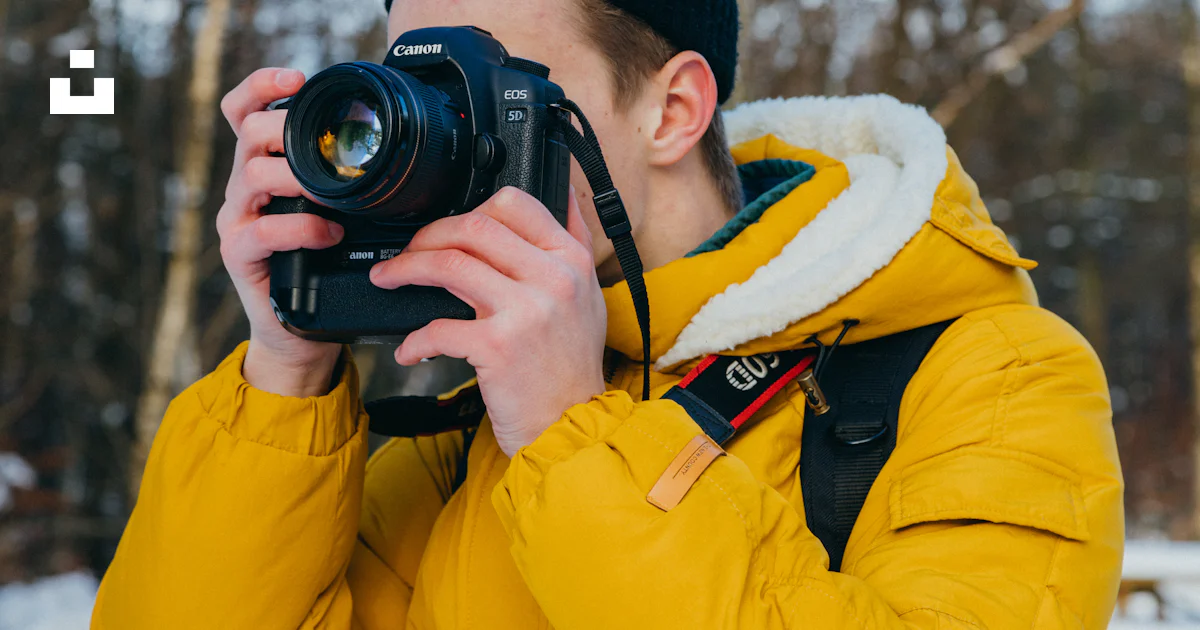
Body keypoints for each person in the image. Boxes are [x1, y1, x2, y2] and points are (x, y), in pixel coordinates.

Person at [91, 0, 1125, 627]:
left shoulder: (994, 372)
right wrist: (285, 367)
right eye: (418, 93)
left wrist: (571, 436)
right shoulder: (463, 428)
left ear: (673, 109)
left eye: (487, 91)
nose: (438, 146)